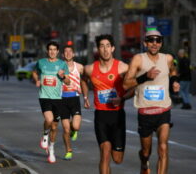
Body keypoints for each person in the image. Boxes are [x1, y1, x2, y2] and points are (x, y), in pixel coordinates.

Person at [123, 30, 180, 174]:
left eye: (158, 40)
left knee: (163, 148)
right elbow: (126, 84)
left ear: (161, 43)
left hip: (163, 110)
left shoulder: (167, 58)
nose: (154, 43)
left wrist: (174, 82)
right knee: (145, 152)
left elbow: (173, 71)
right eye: (151, 40)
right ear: (145, 43)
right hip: (145, 112)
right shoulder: (138, 59)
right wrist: (145, 77)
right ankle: (144, 163)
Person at [81, 34, 133, 174]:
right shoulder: (90, 69)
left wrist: (122, 99)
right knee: (105, 152)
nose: (105, 50)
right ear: (98, 49)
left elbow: (134, 87)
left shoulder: (123, 68)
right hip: (101, 115)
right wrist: (85, 96)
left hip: (118, 116)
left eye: (108, 46)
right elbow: (83, 80)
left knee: (117, 159)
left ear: (113, 48)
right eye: (102, 46)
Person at [32, 41, 70, 163]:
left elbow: (68, 82)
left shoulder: (62, 64)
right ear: (47, 51)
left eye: (54, 49)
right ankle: (44, 135)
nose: (52, 52)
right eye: (50, 49)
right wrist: (37, 80)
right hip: (44, 96)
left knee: (54, 127)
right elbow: (34, 72)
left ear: (58, 51)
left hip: (57, 98)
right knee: (49, 120)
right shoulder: (41, 62)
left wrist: (63, 76)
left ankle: (51, 149)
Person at [59, 45, 85, 160]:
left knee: (76, 126)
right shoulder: (58, 68)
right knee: (65, 129)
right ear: (63, 55)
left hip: (74, 98)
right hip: (62, 100)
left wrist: (85, 97)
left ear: (73, 54)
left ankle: (73, 130)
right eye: (66, 52)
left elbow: (86, 81)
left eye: (70, 51)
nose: (68, 53)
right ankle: (68, 150)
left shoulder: (79, 67)